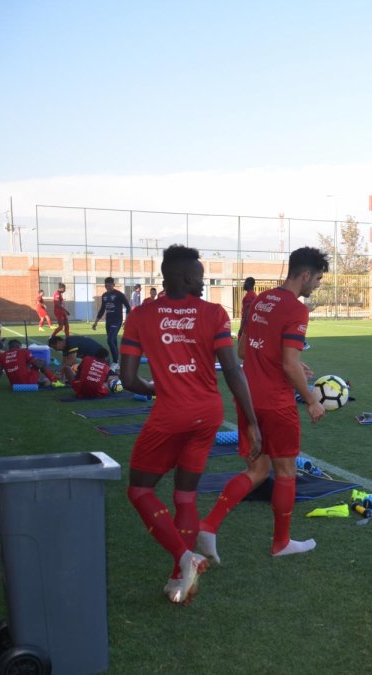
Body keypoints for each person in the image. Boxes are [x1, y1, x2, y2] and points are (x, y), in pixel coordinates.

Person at [119, 244, 262, 605]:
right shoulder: (214, 314)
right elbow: (232, 370)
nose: (202, 281)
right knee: (185, 495)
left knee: (139, 491)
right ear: (182, 276)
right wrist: (250, 422)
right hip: (208, 414)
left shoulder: (139, 317)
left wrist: (155, 388)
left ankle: (185, 560)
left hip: (170, 414)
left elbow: (128, 379)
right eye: (199, 275)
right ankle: (176, 578)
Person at [198, 247, 328, 560]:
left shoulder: (260, 300)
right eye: (318, 279)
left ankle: (209, 525)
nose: (318, 285)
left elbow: (243, 350)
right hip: (276, 402)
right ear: (305, 274)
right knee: (285, 472)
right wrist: (311, 400)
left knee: (258, 469)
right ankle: (281, 543)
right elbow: (287, 363)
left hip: (248, 397)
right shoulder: (297, 310)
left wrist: (296, 366)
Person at [91, 276, 131, 364]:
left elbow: (128, 307)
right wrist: (95, 323)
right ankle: (117, 361)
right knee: (113, 341)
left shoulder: (119, 294)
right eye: (106, 286)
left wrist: (126, 320)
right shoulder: (104, 295)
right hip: (108, 321)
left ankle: (116, 362)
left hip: (117, 321)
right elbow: (102, 309)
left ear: (113, 285)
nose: (107, 288)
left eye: (109, 286)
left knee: (110, 340)